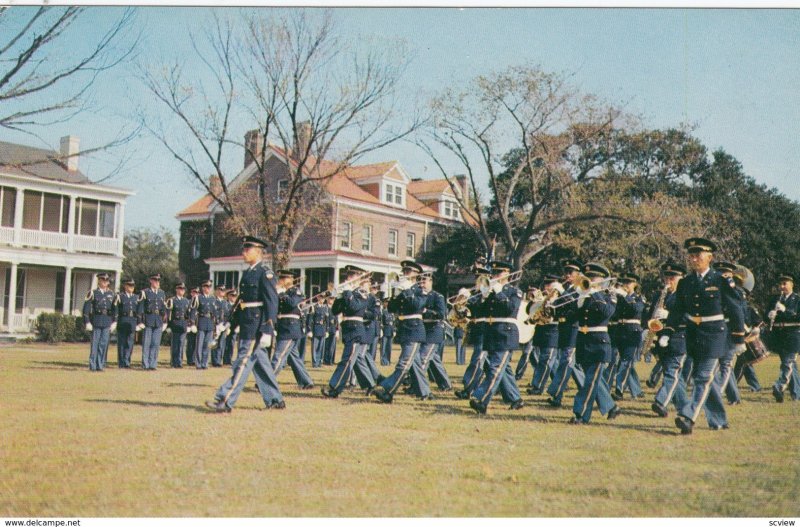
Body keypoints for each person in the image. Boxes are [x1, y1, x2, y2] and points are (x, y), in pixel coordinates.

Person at [662, 237, 746, 434]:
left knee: (702, 378)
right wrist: (667, 330)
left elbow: (736, 310)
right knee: (708, 380)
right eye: (691, 255)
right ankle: (718, 420)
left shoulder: (720, 281)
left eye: (697, 255)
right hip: (694, 335)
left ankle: (688, 416)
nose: (693, 259)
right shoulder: (686, 282)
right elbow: (677, 311)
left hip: (715, 335)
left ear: (709, 257)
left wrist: (739, 337)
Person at [206, 236, 284, 412]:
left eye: (247, 249)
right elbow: (241, 303)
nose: (243, 252)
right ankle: (275, 399)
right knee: (261, 365)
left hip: (256, 326)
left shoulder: (265, 273)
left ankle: (224, 400)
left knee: (243, 362)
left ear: (258, 252)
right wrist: (229, 323)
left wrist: (268, 328)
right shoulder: (248, 273)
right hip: (247, 324)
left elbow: (272, 302)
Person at [567, 262, 621, 424]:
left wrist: (594, 292)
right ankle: (611, 407)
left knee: (589, 381)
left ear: (602, 280)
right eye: (587, 277)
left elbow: (607, 312)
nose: (589, 280)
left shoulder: (608, 294)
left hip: (599, 343)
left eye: (593, 277)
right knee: (594, 380)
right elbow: (572, 318)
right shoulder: (583, 295)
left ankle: (581, 414)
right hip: (583, 341)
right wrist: (578, 300)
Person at [469, 261, 524, 414]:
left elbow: (510, 308)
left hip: (506, 334)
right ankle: (515, 399)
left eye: (499, 273)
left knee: (495, 369)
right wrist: (482, 297)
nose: (495, 276)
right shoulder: (490, 291)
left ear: (507, 274)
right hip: (491, 333)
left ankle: (481, 399)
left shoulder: (515, 291)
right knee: (502, 369)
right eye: (494, 273)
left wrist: (499, 292)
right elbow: (480, 312)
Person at [372, 261, 430, 404]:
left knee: (404, 363)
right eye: (404, 271)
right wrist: (394, 293)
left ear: (416, 275)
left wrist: (407, 290)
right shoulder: (403, 290)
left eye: (408, 271)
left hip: (415, 329)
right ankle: (425, 392)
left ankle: (388, 390)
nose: (404, 274)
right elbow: (391, 308)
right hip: (404, 329)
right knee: (414, 363)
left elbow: (416, 305)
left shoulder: (420, 290)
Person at [322, 266, 373, 398]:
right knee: (357, 361)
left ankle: (334, 388)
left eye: (352, 276)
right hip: (348, 329)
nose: (348, 279)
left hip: (356, 329)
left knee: (347, 360)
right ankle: (372, 386)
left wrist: (347, 293)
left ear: (358, 278)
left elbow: (354, 306)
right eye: (348, 275)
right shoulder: (347, 293)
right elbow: (335, 311)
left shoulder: (362, 293)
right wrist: (338, 297)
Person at [648, 262, 690, 418]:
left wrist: (668, 314)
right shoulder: (660, 295)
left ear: (681, 278)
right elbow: (650, 316)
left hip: (680, 338)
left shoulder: (686, 295)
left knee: (672, 372)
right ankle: (685, 408)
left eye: (672, 277)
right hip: (661, 340)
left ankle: (660, 401)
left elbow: (689, 317)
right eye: (666, 277)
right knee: (672, 375)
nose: (668, 280)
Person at [546, 259, 586, 407]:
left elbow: (575, 304)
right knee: (572, 365)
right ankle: (589, 391)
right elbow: (557, 307)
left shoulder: (580, 287)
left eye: (571, 272)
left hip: (574, 328)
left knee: (565, 362)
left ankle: (556, 395)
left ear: (578, 274)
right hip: (563, 328)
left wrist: (561, 293)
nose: (567, 275)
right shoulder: (566, 288)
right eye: (566, 272)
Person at [272, 270, 315, 389]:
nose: (280, 281)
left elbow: (292, 303)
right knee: (294, 358)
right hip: (282, 326)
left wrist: (281, 293)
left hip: (290, 327)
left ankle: (267, 380)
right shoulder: (280, 292)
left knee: (278, 355)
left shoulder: (295, 291)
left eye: (283, 278)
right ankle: (306, 382)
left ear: (290, 279)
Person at [766, 273, 800, 403]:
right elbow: (766, 315)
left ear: (792, 284)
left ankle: (779, 387)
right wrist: (769, 314)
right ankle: (796, 394)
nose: (782, 286)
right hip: (779, 336)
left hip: (793, 335)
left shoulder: (797, 300)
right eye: (780, 284)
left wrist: (785, 311)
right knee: (790, 365)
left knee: (787, 364)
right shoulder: (775, 299)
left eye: (784, 284)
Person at [526, 275, 562, 395]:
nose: (547, 287)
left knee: (546, 359)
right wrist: (535, 301)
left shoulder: (561, 297)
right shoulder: (542, 298)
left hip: (553, 330)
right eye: (545, 284)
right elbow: (530, 312)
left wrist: (551, 300)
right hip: (541, 330)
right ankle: (559, 383)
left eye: (549, 284)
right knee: (548, 360)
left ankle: (537, 387)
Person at [612, 273, 646, 401]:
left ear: (635, 284)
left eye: (628, 282)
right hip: (619, 331)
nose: (625, 285)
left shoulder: (639, 298)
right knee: (627, 363)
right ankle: (637, 391)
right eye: (624, 282)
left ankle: (619, 390)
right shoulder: (619, 297)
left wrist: (625, 296)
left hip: (632, 332)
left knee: (625, 361)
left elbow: (636, 309)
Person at [419, 273, 452, 394]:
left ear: (431, 282)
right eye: (420, 282)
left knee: (423, 358)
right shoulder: (418, 295)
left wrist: (425, 311)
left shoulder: (437, 296)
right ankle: (445, 384)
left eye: (425, 282)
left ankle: (416, 384)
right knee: (433, 359)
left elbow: (440, 314)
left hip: (434, 330)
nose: (422, 285)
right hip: (422, 330)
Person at [82, 272, 116, 371]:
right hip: (96, 320)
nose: (105, 282)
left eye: (106, 280)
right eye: (103, 280)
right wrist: (87, 321)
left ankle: (100, 365)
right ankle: (92, 365)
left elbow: (115, 309)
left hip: (107, 321)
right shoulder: (93, 293)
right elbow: (86, 309)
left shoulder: (112, 294)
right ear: (99, 281)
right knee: (95, 344)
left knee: (103, 344)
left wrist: (115, 321)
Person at [137, 273, 167, 370]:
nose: (157, 282)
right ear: (151, 281)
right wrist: (140, 321)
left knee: (155, 343)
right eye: (155, 280)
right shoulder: (145, 292)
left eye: (158, 280)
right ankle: (145, 364)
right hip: (148, 319)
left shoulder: (162, 293)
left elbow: (163, 308)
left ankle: (153, 364)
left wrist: (165, 321)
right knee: (147, 343)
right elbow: (140, 308)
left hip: (158, 320)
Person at [192, 280, 218, 369]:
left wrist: (217, 325)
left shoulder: (213, 298)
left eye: (209, 287)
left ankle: (205, 363)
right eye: (206, 287)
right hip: (201, 322)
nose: (208, 289)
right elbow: (193, 311)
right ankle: (198, 363)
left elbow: (215, 312)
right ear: (203, 288)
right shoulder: (198, 298)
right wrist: (192, 323)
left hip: (210, 323)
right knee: (199, 344)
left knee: (207, 344)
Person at [115, 278, 139, 369]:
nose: (131, 287)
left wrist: (138, 323)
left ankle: (127, 361)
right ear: (125, 286)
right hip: (123, 321)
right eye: (129, 285)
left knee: (130, 343)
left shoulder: (136, 297)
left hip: (132, 321)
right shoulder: (120, 296)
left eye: (132, 286)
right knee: (121, 343)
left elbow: (138, 311)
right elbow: (117, 310)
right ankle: (121, 362)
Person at [167, 282, 191, 368]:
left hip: (183, 324)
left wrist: (189, 324)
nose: (182, 291)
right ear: (176, 289)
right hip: (175, 324)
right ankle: (173, 362)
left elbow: (188, 314)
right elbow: (169, 314)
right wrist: (169, 326)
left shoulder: (186, 301)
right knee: (175, 344)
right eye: (180, 289)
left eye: (183, 289)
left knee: (181, 344)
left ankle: (179, 362)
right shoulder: (172, 300)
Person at [308, 293, 330, 368]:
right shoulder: (314, 307)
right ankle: (315, 363)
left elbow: (327, 320)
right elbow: (310, 319)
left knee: (321, 347)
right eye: (321, 298)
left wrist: (327, 330)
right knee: (315, 347)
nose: (322, 299)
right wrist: (310, 330)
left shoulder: (326, 307)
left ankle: (320, 362)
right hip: (316, 328)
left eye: (324, 298)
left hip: (323, 328)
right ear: (318, 298)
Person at [212, 284, 231, 367]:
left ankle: (219, 360)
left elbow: (228, 314)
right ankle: (215, 361)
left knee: (221, 344)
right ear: (216, 291)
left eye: (223, 290)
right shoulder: (213, 301)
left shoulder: (225, 303)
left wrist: (227, 326)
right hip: (215, 324)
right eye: (219, 290)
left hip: (223, 325)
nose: (221, 292)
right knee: (215, 343)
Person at [222, 289, 239, 365]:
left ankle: (229, 359)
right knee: (225, 342)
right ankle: (224, 359)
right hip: (226, 325)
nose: (234, 297)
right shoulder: (226, 304)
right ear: (228, 296)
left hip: (234, 326)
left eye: (235, 296)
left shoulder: (237, 305)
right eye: (232, 295)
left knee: (232, 343)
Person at [186, 287, 200, 366]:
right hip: (190, 325)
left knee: (196, 343)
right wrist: (189, 324)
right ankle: (190, 359)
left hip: (198, 325)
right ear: (191, 293)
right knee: (190, 343)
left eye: (197, 293)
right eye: (194, 292)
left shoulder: (199, 302)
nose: (195, 294)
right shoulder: (188, 302)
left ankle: (194, 359)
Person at [323, 296, 339, 365]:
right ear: (327, 299)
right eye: (330, 298)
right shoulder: (325, 308)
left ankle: (331, 360)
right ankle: (326, 360)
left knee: (333, 346)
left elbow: (336, 320)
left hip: (333, 328)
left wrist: (337, 330)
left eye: (333, 299)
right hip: (327, 328)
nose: (332, 300)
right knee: (327, 345)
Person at [380, 298, 395, 365]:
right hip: (385, 330)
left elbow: (394, 322)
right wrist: (381, 330)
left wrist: (394, 330)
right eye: (386, 302)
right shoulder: (382, 312)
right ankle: (383, 361)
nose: (387, 303)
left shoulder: (392, 312)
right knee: (383, 347)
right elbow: (380, 322)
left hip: (391, 331)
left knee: (389, 347)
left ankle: (388, 360)